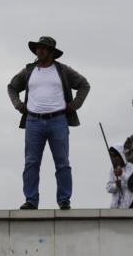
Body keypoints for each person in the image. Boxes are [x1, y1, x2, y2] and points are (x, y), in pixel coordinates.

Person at [7, 36, 91, 210]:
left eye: (44, 48)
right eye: (38, 48)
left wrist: (75, 105)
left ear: (52, 52)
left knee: (62, 162)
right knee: (31, 162)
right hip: (33, 121)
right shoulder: (28, 71)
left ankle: (64, 199)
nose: (40, 50)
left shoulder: (63, 70)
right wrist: (18, 105)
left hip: (58, 120)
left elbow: (84, 85)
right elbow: (12, 87)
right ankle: (31, 200)